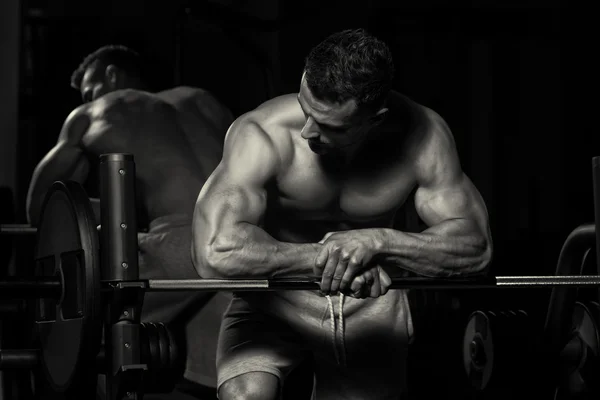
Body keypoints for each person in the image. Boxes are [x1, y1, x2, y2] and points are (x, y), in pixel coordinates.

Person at [192, 28, 493, 400]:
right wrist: (331, 257)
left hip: (369, 303)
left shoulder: (424, 137)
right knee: (244, 396)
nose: (306, 132)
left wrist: (378, 241)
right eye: (306, 111)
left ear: (374, 119)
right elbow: (214, 252)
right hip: (276, 293)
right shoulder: (262, 134)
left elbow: (475, 247)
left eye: (330, 126)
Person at [26, 44, 234, 397]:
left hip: (180, 245)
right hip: (240, 240)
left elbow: (42, 209)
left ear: (111, 74)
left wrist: (104, 223)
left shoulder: (92, 113)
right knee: (222, 374)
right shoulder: (202, 100)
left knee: (90, 342)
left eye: (89, 89)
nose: (87, 98)